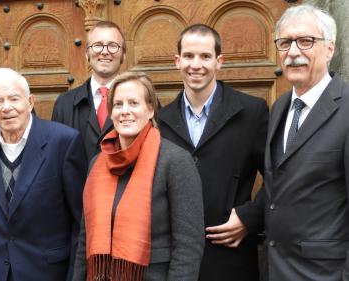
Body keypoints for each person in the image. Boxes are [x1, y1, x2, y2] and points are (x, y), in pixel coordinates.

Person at [158, 24, 268, 281]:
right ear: (177, 61)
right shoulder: (160, 121)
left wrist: (250, 218)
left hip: (231, 258)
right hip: (175, 262)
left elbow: (278, 176)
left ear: (219, 61)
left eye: (205, 56)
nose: (196, 65)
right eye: (188, 56)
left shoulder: (252, 112)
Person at [0, 68, 87, 281]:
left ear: (30, 102)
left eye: (14, 99)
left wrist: (75, 276)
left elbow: (80, 220)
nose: (6, 107)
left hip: (48, 272)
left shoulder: (64, 142)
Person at [73, 72, 204, 281]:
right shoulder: (97, 164)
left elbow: (188, 247)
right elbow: (85, 240)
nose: (125, 111)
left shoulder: (175, 161)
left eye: (134, 103)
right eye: (118, 104)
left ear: (150, 109)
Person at [261, 4, 349, 280]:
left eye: (306, 41)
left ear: (330, 49)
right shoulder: (280, 107)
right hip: (276, 268)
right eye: (285, 43)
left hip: (325, 273)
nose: (293, 52)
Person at [52, 20, 126, 161]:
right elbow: (56, 157)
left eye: (113, 46)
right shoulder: (64, 104)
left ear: (124, 55)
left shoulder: (142, 100)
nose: (105, 52)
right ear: (87, 54)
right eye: (97, 45)